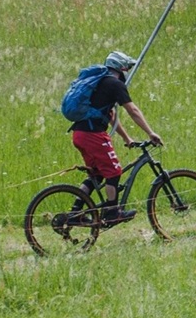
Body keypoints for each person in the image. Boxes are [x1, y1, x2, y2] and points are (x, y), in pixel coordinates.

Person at [69, 51, 163, 225]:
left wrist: (127, 138)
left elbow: (110, 116)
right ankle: (112, 212)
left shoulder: (101, 83)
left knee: (96, 175)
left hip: (80, 134)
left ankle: (75, 212)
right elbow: (133, 110)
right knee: (114, 171)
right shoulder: (114, 84)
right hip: (93, 135)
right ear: (121, 68)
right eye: (127, 67)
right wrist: (151, 133)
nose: (127, 71)